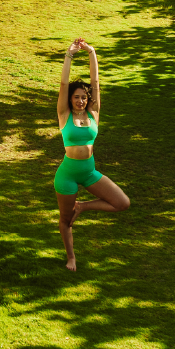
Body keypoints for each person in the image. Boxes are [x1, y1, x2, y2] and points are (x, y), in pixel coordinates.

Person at [55, 38, 130, 272]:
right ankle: (71, 258)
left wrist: (92, 53)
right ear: (70, 99)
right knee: (65, 220)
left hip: (89, 172)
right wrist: (69, 55)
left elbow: (96, 82)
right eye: (76, 97)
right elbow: (63, 83)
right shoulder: (64, 114)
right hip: (67, 175)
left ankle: (83, 206)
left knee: (122, 203)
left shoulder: (94, 113)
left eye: (83, 97)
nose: (80, 100)